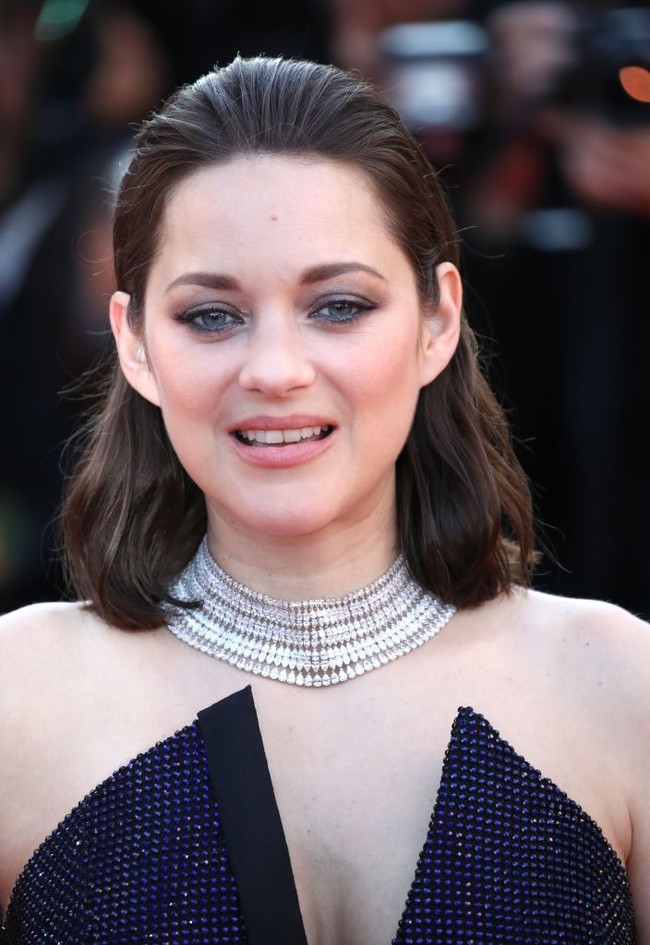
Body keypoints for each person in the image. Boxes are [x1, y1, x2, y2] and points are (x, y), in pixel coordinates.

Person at [0, 55, 648, 944]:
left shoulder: (619, 684)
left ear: (436, 322)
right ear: (136, 342)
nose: (275, 371)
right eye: (212, 316)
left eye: (338, 306)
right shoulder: (19, 697)